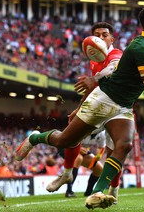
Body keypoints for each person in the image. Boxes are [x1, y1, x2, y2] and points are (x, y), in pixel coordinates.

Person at [15, 6, 144, 209]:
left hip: (122, 107)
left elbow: (142, 80)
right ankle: (35, 138)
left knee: (124, 145)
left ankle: (97, 193)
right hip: (104, 101)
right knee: (65, 140)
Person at [44, 22, 123, 201]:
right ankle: (66, 175)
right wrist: (78, 109)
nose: (101, 38)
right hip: (100, 107)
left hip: (119, 109)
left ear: (112, 38)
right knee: (73, 134)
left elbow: (112, 69)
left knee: (114, 153)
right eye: (97, 35)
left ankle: (114, 189)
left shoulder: (116, 54)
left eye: (105, 34)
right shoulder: (94, 60)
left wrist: (93, 79)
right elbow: (91, 89)